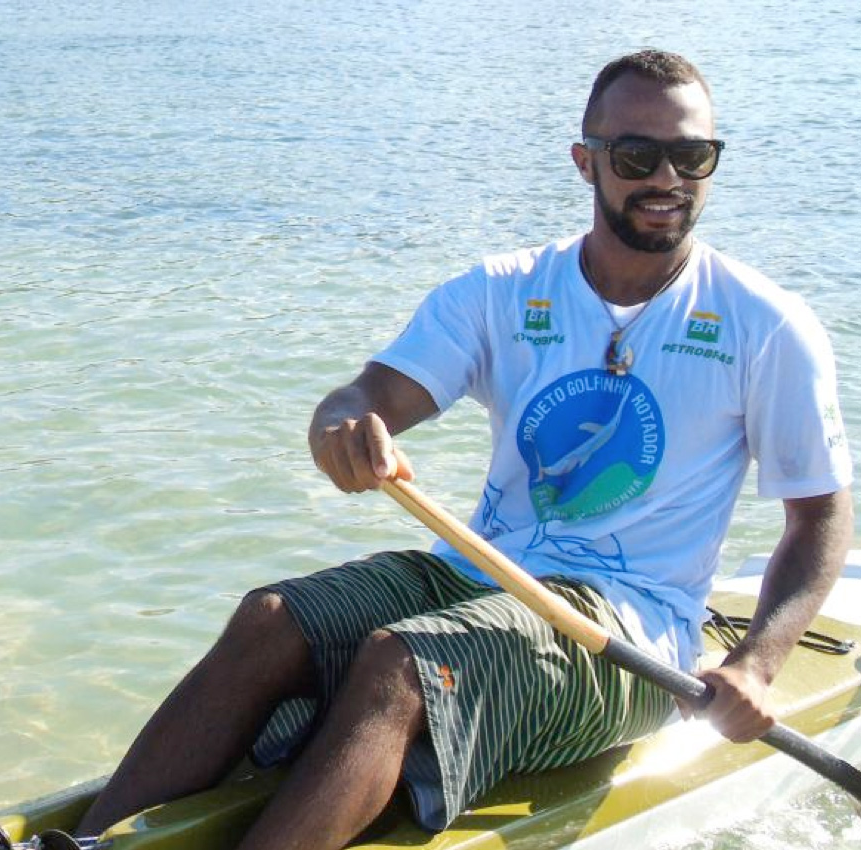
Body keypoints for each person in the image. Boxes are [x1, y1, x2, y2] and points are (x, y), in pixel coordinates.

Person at [71, 49, 854, 850]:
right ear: (584, 162)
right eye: (635, 155)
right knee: (269, 619)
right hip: (475, 571)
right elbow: (366, 396)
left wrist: (756, 664)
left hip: (628, 632)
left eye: (692, 156)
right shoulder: (502, 290)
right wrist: (342, 428)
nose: (667, 179)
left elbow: (821, 517)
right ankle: (87, 842)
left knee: (397, 666)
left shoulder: (765, 325)